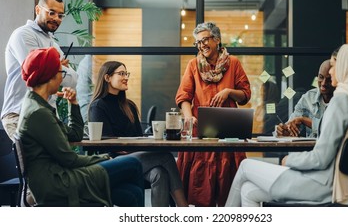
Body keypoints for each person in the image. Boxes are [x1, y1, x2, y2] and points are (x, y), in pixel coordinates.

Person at [225, 44, 348, 207]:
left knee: (246, 166)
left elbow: (320, 158)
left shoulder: (342, 100)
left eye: (333, 66)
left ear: (347, 66)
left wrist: (289, 160)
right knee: (247, 190)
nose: (331, 72)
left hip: (323, 185)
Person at [18, 47, 144, 206]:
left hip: (59, 176)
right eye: (60, 73)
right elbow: (69, 159)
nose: (61, 78)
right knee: (133, 163)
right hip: (57, 182)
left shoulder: (36, 106)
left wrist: (73, 103)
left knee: (132, 193)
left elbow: (75, 135)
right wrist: (106, 158)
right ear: (49, 75)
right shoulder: (39, 113)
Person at [88, 61, 188, 207]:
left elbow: (138, 137)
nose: (125, 77)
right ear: (107, 78)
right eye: (121, 73)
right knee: (166, 156)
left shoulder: (129, 106)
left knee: (160, 173)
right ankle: (184, 208)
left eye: (126, 73)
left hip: (135, 157)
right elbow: (106, 145)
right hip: (114, 161)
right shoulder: (98, 106)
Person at [175, 22, 251, 207]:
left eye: (204, 40)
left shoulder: (233, 63)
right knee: (201, 187)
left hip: (229, 132)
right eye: (198, 43)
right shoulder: (193, 65)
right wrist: (188, 116)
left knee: (229, 186)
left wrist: (228, 92)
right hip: (201, 130)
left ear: (217, 40)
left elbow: (245, 95)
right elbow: (183, 97)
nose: (201, 46)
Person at [1, 0, 78, 141]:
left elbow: (73, 80)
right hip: (20, 113)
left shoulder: (53, 44)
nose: (56, 18)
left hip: (45, 116)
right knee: (36, 163)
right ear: (37, 10)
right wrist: (58, 66)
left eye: (60, 15)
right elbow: (36, 72)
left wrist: (54, 67)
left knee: (55, 161)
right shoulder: (23, 35)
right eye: (51, 12)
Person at [276, 59, 335, 138]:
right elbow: (292, 123)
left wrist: (304, 120)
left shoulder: (342, 100)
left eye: (328, 79)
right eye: (321, 77)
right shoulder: (308, 98)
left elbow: (332, 129)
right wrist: (285, 130)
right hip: (310, 149)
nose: (323, 83)